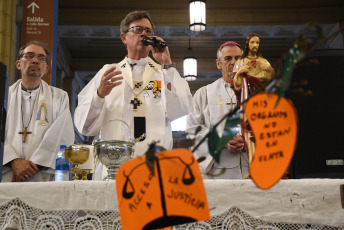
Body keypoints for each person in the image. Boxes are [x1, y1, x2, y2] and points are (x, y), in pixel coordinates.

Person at [73, 11, 193, 180]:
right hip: (113, 169)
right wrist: (99, 95)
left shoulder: (163, 73)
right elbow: (85, 127)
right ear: (124, 38)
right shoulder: (108, 72)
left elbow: (180, 110)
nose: (144, 34)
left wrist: (166, 64)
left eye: (148, 31)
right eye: (137, 29)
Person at [2, 40, 75, 182]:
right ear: (18, 64)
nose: (35, 61)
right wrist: (13, 161)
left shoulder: (59, 97)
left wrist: (30, 169)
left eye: (41, 58)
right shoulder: (4, 94)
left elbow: (62, 136)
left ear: (46, 68)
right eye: (29, 56)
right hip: (8, 174)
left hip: (41, 177)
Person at [186, 41, 249, 179]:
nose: (234, 62)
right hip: (215, 172)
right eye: (228, 58)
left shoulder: (254, 94)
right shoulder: (203, 94)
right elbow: (192, 129)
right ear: (218, 64)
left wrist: (245, 140)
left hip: (248, 168)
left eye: (238, 58)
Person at [233, 33, 275, 164]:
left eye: (257, 43)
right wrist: (240, 72)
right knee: (248, 131)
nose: (255, 45)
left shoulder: (264, 62)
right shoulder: (241, 62)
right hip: (248, 99)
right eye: (252, 42)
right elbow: (236, 85)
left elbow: (270, 79)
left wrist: (269, 71)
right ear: (247, 44)